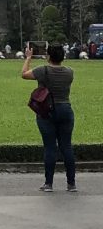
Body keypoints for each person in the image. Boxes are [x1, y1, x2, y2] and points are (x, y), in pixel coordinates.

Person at [22, 44, 76, 192]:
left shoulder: (43, 70)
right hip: (66, 109)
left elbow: (24, 74)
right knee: (66, 146)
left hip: (47, 110)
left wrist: (28, 58)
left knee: (50, 147)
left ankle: (49, 183)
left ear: (48, 57)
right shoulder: (69, 72)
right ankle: (71, 184)